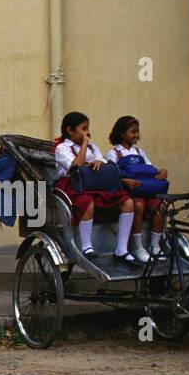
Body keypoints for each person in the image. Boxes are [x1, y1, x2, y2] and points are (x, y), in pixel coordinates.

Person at [53, 111, 136, 263]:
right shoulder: (62, 149)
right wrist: (84, 143)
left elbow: (103, 163)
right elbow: (76, 165)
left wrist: (99, 162)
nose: (87, 133)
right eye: (83, 129)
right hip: (74, 186)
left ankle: (121, 249)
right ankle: (86, 246)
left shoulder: (93, 148)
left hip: (95, 184)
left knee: (127, 202)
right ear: (70, 130)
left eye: (87, 128)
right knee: (86, 201)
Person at [106, 115, 167, 262]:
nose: (136, 135)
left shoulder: (140, 152)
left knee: (161, 205)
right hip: (129, 191)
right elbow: (111, 175)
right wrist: (124, 181)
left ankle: (155, 246)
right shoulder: (113, 153)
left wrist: (161, 173)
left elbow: (150, 169)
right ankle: (138, 247)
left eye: (137, 131)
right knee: (138, 205)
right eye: (132, 132)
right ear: (121, 133)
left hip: (145, 189)